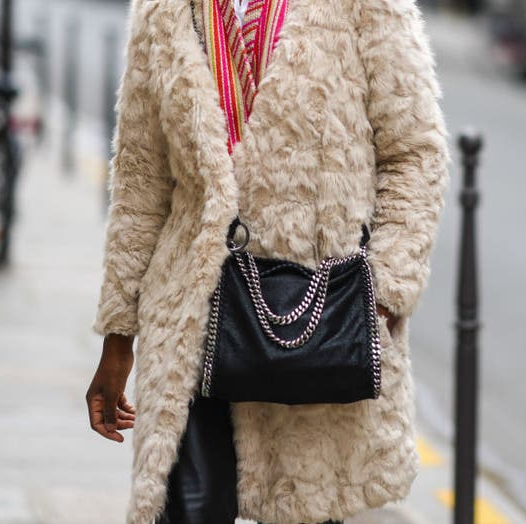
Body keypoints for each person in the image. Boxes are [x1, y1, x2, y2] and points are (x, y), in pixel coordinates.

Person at [84, 0, 450, 522]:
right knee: (188, 509)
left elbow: (415, 153)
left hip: (316, 316)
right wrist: (118, 337)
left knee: (304, 507)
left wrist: (384, 293)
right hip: (192, 315)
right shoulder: (164, 10)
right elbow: (141, 179)